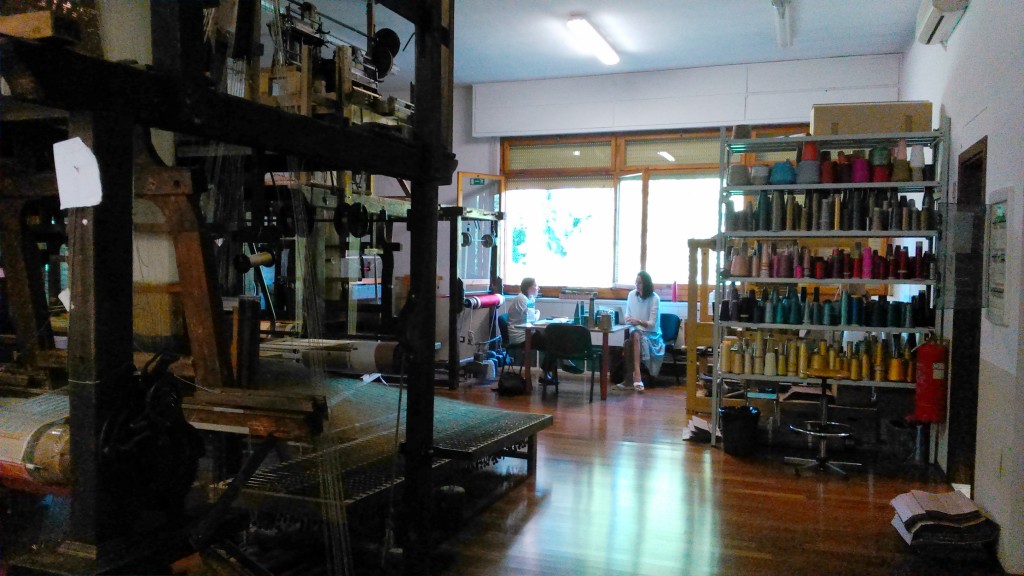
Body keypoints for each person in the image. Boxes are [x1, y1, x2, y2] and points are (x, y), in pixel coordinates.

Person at [506, 277, 558, 385]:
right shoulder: (521, 299)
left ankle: (546, 372)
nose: (537, 288)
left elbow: (533, 316)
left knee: (553, 341)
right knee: (553, 344)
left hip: (528, 333)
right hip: (520, 337)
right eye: (535, 285)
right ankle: (545, 373)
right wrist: (537, 313)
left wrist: (536, 313)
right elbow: (533, 318)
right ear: (529, 288)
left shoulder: (530, 299)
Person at [619, 271, 664, 392]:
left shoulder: (655, 298)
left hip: (651, 333)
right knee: (632, 337)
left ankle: (635, 376)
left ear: (646, 284)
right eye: (636, 282)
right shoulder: (631, 295)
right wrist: (628, 319)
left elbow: (652, 324)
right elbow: (627, 314)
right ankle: (634, 378)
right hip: (636, 330)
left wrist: (637, 321)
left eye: (639, 283)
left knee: (630, 341)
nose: (637, 285)